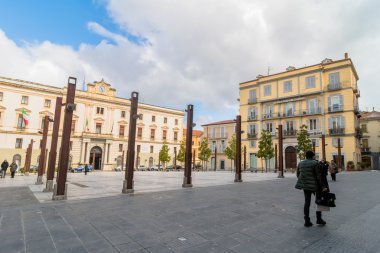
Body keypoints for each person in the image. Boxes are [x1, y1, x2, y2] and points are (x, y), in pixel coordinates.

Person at [295, 151, 328, 227]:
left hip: (305, 186)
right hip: (315, 186)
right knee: (319, 201)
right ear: (313, 156)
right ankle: (319, 219)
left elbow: (298, 174)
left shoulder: (300, 163)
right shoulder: (315, 163)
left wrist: (304, 181)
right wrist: (323, 186)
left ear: (306, 156)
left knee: (307, 203)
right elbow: (318, 176)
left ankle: (307, 220)